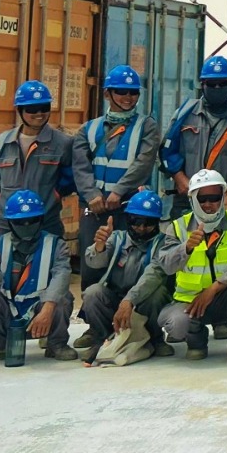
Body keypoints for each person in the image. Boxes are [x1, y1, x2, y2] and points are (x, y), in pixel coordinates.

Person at [156, 168, 227, 365]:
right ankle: (196, 341)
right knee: (176, 324)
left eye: (214, 198)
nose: (208, 204)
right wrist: (186, 248)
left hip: (225, 298)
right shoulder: (177, 227)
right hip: (190, 302)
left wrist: (213, 289)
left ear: (223, 196)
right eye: (202, 199)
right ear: (193, 199)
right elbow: (166, 266)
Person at [0, 190, 76, 365]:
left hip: (40, 316)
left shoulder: (56, 245)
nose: (26, 225)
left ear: (41, 220)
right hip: (8, 316)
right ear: (10, 222)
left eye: (32, 220)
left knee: (63, 298)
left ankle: (56, 344)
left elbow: (61, 277)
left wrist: (47, 310)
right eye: (20, 222)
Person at [74, 64, 160, 293]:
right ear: (107, 94)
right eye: (121, 91)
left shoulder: (147, 126)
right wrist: (91, 195)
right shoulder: (88, 129)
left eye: (133, 92)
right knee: (93, 261)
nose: (128, 97)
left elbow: (143, 163)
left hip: (129, 208)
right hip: (95, 209)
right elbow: (80, 167)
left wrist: (118, 191)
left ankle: (126, 308)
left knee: (128, 264)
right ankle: (93, 311)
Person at [77, 188, 172, 363]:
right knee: (92, 293)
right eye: (136, 221)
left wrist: (129, 301)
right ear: (128, 219)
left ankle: (155, 339)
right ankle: (103, 339)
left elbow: (153, 276)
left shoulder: (164, 243)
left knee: (158, 294)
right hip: (116, 297)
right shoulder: (116, 238)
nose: (141, 228)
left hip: (143, 301)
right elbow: (94, 263)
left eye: (149, 222)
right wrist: (99, 246)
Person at [161, 55, 227, 219]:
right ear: (202, 85)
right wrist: (179, 178)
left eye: (223, 83)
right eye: (211, 84)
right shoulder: (185, 114)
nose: (217, 88)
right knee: (184, 235)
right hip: (187, 198)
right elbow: (167, 149)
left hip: (223, 200)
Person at [0, 80, 82, 237]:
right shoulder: (1, 143)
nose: (39, 114)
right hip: (6, 223)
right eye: (32, 109)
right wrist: (2, 197)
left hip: (46, 223)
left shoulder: (63, 144)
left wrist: (54, 195)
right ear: (19, 110)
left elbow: (71, 179)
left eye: (44, 107)